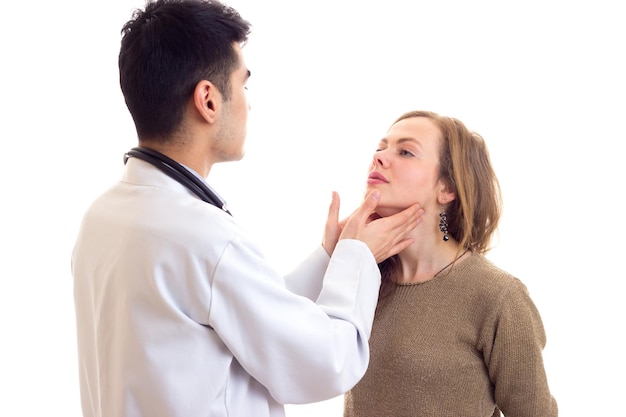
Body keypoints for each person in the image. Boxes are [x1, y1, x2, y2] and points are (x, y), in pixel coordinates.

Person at [71, 1, 424, 417]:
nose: (248, 104)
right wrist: (357, 258)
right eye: (243, 85)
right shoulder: (202, 235)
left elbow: (240, 318)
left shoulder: (103, 216)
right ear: (208, 100)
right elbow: (324, 362)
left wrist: (331, 256)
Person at [342, 110, 558, 417]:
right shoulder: (359, 279)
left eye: (405, 151)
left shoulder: (498, 297)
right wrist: (335, 254)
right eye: (381, 147)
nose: (379, 157)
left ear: (447, 189)